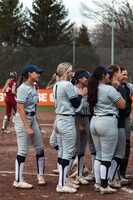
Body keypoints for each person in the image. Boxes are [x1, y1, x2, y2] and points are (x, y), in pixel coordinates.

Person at [50, 62, 87, 193]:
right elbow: (76, 103)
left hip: (59, 119)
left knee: (62, 153)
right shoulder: (67, 84)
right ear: (66, 71)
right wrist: (81, 94)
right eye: (71, 71)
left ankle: (64, 180)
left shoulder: (57, 84)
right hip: (66, 120)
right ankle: (61, 184)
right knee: (68, 153)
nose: (73, 73)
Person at [87, 66, 126, 194]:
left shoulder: (93, 87)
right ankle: (104, 185)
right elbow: (122, 105)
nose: (109, 76)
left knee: (99, 155)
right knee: (107, 157)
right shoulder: (109, 88)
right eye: (107, 74)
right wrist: (118, 94)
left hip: (95, 121)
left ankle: (98, 183)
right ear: (103, 76)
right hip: (107, 122)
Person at [13, 65, 46, 189]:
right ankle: (17, 180)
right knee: (22, 150)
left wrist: (35, 123)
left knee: (40, 148)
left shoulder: (34, 87)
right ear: (29, 74)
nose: (38, 74)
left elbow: (33, 107)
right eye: (36, 72)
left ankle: (41, 175)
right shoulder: (22, 88)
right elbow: (20, 108)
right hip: (23, 120)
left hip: (32, 119)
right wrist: (27, 127)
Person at [72, 69, 92, 185]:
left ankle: (79, 174)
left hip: (86, 118)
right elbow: (73, 109)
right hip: (77, 118)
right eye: (85, 77)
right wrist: (78, 124)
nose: (87, 79)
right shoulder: (74, 90)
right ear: (79, 78)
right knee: (74, 149)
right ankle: (67, 176)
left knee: (82, 149)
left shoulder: (87, 89)